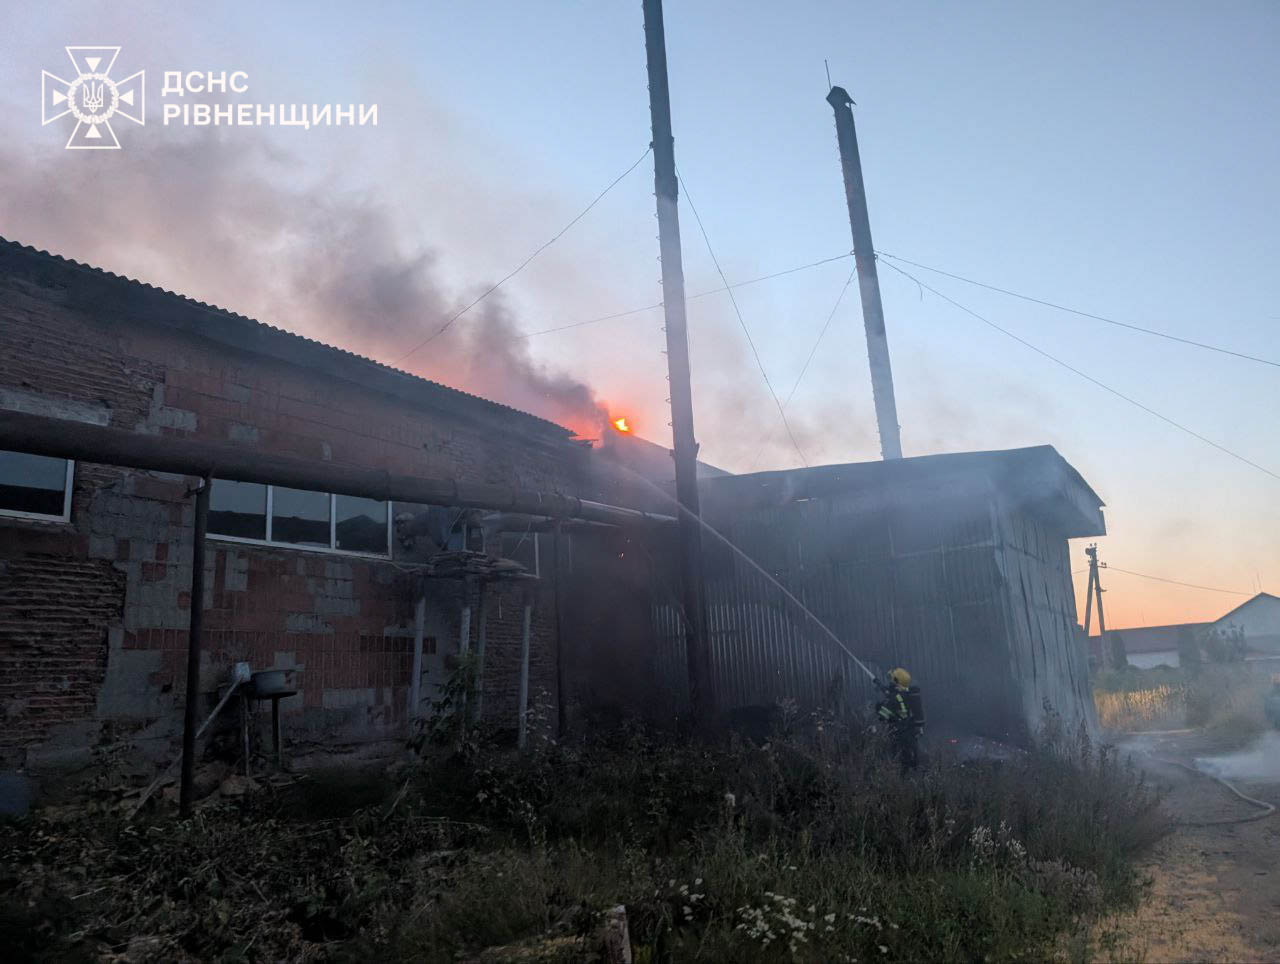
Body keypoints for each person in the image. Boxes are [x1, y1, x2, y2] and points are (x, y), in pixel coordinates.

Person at [876, 667, 925, 770]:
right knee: (912, 757)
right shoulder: (906, 694)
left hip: (899, 734)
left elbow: (882, 716)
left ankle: (902, 776)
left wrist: (879, 707)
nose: (890, 682)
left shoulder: (894, 698)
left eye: (891, 680)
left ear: (896, 681)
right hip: (909, 731)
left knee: (900, 760)